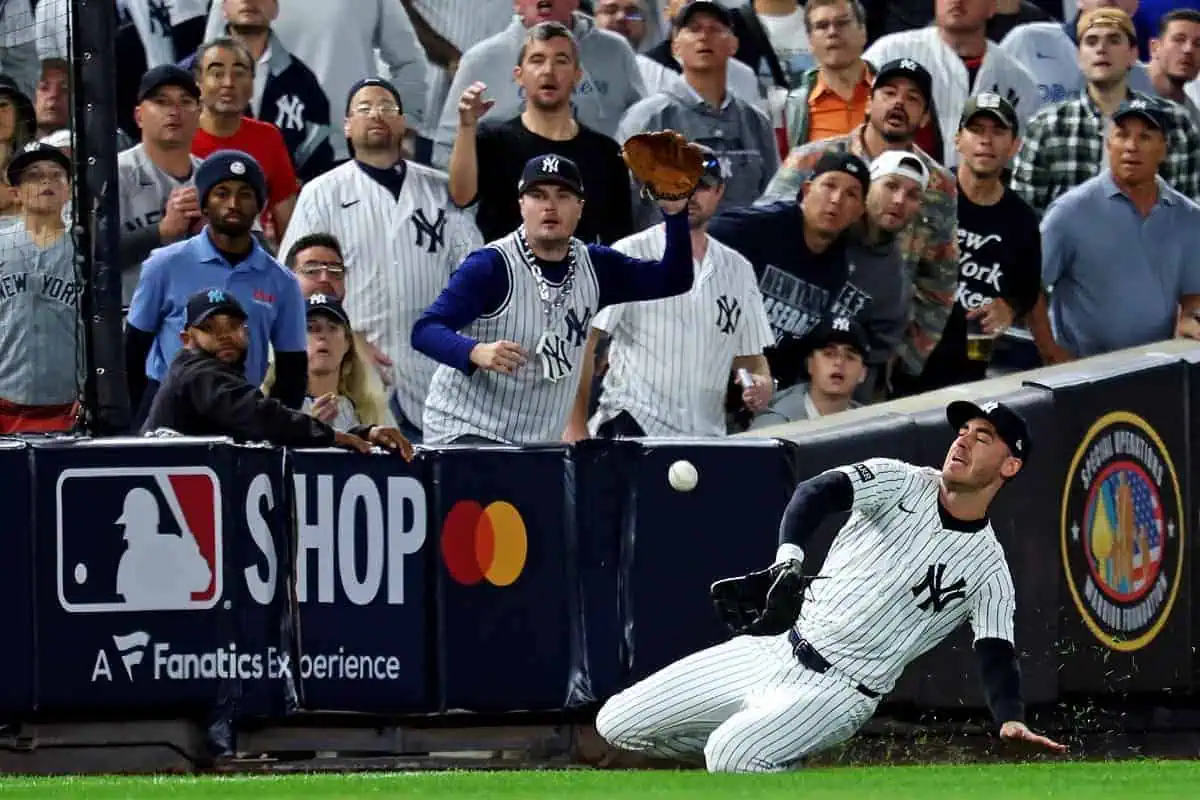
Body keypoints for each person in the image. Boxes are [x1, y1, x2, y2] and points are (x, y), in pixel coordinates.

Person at [596, 399, 1067, 772]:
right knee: (615, 723)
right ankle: (776, 752)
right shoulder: (899, 481)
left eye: (983, 438)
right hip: (776, 647)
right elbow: (815, 493)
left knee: (731, 754)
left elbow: (996, 652)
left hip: (840, 690)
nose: (962, 442)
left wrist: (1010, 719)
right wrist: (789, 562)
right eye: (962, 431)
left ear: (1010, 466)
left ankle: (762, 750)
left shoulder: (988, 569)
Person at [412, 153, 694, 445]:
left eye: (562, 195)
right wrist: (474, 351)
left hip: (537, 441)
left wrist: (675, 214)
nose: (549, 206)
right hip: (467, 427)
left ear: (580, 207)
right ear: (522, 204)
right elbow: (425, 330)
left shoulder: (596, 266)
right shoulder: (490, 266)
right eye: (537, 195)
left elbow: (674, 279)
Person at [279, 78, 483, 443]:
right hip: (354, 384)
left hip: (434, 380)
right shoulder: (321, 193)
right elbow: (292, 285)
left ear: (403, 122)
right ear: (346, 125)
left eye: (387, 107)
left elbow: (475, 279)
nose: (376, 114)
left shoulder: (440, 190)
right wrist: (350, 341)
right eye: (364, 108)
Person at [760, 59, 959, 397]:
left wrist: (901, 360)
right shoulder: (812, 160)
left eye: (913, 98)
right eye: (889, 92)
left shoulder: (939, 184)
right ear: (869, 101)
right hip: (787, 336)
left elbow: (939, 280)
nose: (899, 103)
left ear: (925, 117)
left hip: (866, 357)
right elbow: (765, 238)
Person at [569, 146, 774, 440]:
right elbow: (584, 340)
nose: (691, 195)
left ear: (719, 192)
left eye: (701, 186)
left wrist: (764, 382)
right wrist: (576, 427)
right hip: (633, 426)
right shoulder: (630, 253)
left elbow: (751, 357)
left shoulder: (738, 269)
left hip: (707, 436)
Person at [125, 150, 308, 428]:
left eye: (245, 194)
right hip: (168, 416)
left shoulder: (282, 281)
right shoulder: (163, 265)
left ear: (260, 205)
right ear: (204, 203)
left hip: (241, 414)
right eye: (221, 193)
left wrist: (271, 429)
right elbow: (133, 353)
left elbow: (292, 372)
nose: (233, 203)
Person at [143, 288, 412, 459]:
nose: (224, 336)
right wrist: (331, 434)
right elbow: (258, 416)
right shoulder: (196, 372)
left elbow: (262, 438)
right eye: (210, 328)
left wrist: (360, 433)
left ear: (246, 333)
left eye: (233, 326)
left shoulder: (225, 383)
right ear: (186, 338)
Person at [916, 92, 1064, 392]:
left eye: (998, 132)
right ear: (958, 140)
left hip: (969, 372)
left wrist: (1009, 307)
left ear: (1014, 146)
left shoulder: (1021, 219)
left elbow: (1027, 289)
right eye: (977, 130)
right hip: (908, 364)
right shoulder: (929, 195)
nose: (986, 141)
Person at [1040, 99, 1200, 357]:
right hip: (1081, 372)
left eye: (1145, 137)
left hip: (1154, 369)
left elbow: (1194, 292)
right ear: (1107, 144)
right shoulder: (1069, 212)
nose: (1131, 147)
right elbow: (1028, 288)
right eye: (1122, 135)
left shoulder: (1189, 218)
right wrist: (1051, 353)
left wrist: (1191, 317)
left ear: (1164, 149)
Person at [449, 22, 634, 245]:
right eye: (537, 60)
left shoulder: (605, 153)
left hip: (581, 275)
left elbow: (620, 238)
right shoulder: (491, 140)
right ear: (519, 75)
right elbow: (461, 197)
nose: (548, 71)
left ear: (577, 75)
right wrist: (466, 127)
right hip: (506, 275)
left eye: (561, 61)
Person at [710, 151, 869, 401]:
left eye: (851, 194)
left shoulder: (839, 265)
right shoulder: (757, 228)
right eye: (829, 185)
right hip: (708, 369)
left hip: (763, 392)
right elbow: (696, 240)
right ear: (806, 190)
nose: (837, 199)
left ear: (859, 211)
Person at [1010, 7, 1200, 213]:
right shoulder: (1047, 126)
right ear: (1079, 57)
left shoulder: (1174, 122)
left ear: (1133, 55)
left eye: (1114, 40)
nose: (1101, 49)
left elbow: (1191, 214)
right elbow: (1023, 216)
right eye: (1091, 41)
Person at [618, 1, 778, 229]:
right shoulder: (646, 119)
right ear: (675, 47)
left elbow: (772, 201)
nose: (704, 36)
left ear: (733, 45)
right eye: (693, 29)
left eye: (715, 29)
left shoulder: (756, 122)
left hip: (742, 258)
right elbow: (625, 203)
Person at [431, 0, 645, 169]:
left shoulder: (615, 51)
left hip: (597, 200)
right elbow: (446, 151)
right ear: (516, 3)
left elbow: (644, 128)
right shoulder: (481, 60)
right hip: (506, 206)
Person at [862, 0, 1040, 167]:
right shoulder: (889, 52)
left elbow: (1024, 159)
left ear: (993, 6)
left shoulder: (1018, 80)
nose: (957, 0)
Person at [193, 0, 334, 182]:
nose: (249, 1)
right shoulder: (188, 78)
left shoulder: (303, 82)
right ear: (223, 7)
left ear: (275, 8)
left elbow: (316, 156)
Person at [0, 142, 82, 433]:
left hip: (68, 405)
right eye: (34, 175)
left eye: (56, 174)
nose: (46, 180)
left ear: (69, 189)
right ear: (16, 192)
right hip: (5, 401)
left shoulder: (86, 249)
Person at [190, 37, 300, 241]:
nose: (228, 83)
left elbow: (287, 219)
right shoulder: (180, 135)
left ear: (252, 85)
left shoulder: (268, 137)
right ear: (198, 83)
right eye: (217, 73)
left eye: (239, 74)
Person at [117, 65, 205, 305]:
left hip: (202, 324)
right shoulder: (114, 174)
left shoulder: (213, 177)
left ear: (199, 115)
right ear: (138, 116)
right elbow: (90, 254)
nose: (174, 111)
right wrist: (161, 231)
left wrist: (218, 228)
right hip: (129, 320)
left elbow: (256, 250)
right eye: (161, 101)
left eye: (185, 101)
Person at [262, 292, 397, 432]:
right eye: (310, 328)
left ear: (347, 343)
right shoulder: (271, 407)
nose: (323, 336)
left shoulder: (373, 408)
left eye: (332, 327)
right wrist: (308, 431)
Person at [747, 314, 869, 428]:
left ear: (863, 373)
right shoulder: (772, 425)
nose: (839, 362)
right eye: (829, 354)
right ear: (810, 364)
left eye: (850, 357)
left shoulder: (871, 427)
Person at [781, 0, 874, 150]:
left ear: (863, 32)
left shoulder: (892, 93)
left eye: (842, 23)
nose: (832, 32)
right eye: (822, 26)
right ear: (810, 41)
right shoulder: (791, 108)